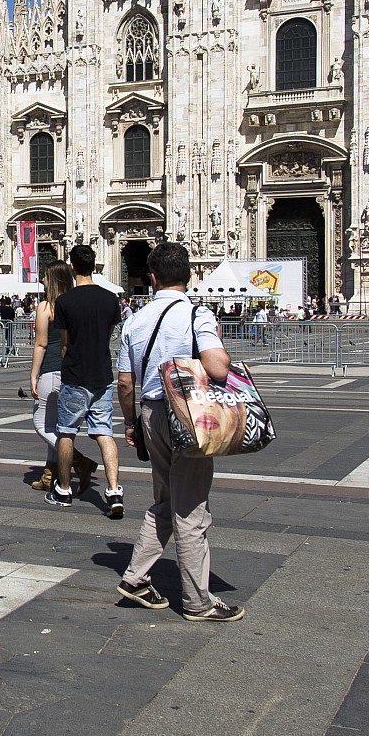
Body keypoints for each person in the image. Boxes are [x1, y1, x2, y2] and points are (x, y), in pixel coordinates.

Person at [116, 241, 244, 623]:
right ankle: (197, 601)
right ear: (189, 275)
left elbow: (125, 383)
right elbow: (218, 369)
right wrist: (220, 344)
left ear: (152, 277)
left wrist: (130, 423)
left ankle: (136, 577)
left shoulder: (135, 320)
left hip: (151, 413)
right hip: (189, 416)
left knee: (166, 498)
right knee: (191, 509)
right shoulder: (196, 314)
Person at [49, 243, 127, 516]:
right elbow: (106, 336)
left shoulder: (64, 302)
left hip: (75, 375)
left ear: (71, 267)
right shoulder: (110, 299)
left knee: (67, 432)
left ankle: (64, 489)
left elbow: (65, 342)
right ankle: (114, 491)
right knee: (104, 433)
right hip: (102, 375)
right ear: (94, 266)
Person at [27, 264, 75, 493]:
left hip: (51, 369)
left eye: (45, 277)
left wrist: (33, 374)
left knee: (40, 423)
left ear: (52, 280)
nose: (42, 280)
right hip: (71, 370)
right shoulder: (75, 305)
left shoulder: (46, 306)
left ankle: (79, 461)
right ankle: (50, 475)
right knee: (55, 423)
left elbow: (41, 343)